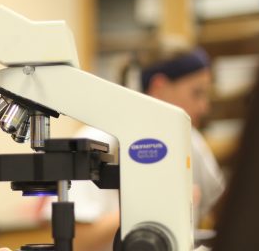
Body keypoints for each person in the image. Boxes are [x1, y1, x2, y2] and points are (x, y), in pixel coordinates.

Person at [41, 46, 225, 251]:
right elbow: (76, 240)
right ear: (159, 87)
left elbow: (226, 209)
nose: (204, 107)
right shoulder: (94, 141)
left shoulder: (191, 142)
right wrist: (155, 204)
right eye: (197, 93)